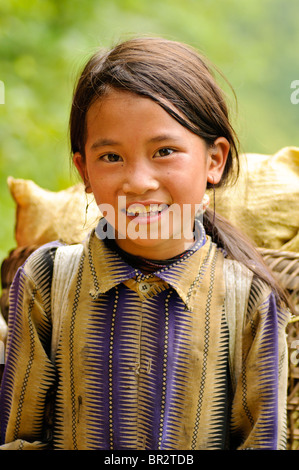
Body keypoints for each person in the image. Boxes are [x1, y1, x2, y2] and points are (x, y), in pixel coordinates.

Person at [0, 36, 291, 450]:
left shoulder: (250, 298)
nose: (137, 182)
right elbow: (20, 438)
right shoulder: (46, 281)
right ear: (84, 170)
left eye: (165, 151)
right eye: (111, 157)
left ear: (214, 160)